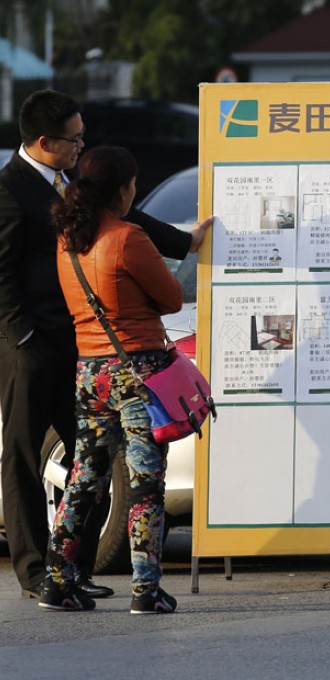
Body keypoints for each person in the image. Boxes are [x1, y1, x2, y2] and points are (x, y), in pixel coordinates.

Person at [0, 89, 212, 601]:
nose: (81, 145)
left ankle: (68, 572)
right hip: (30, 347)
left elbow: (123, 217)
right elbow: (1, 273)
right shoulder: (9, 190)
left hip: (83, 350)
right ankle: (34, 571)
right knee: (26, 457)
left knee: (87, 464)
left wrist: (183, 242)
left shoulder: (73, 181)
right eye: (74, 139)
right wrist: (21, 336)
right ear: (44, 141)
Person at [38, 145, 182, 612]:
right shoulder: (128, 237)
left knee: (84, 477)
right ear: (121, 190)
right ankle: (145, 589)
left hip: (90, 373)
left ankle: (56, 581)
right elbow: (172, 297)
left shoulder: (68, 238)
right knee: (145, 482)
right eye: (133, 185)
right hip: (137, 372)